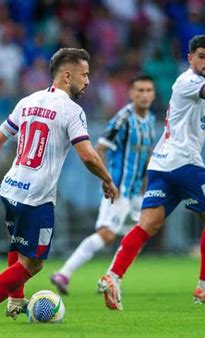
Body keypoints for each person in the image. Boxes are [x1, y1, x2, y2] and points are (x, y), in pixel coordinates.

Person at [98, 35, 205, 310]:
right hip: (185, 163)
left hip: (162, 164)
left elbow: (179, 122)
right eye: (201, 56)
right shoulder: (190, 81)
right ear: (190, 58)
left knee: (147, 224)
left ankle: (113, 276)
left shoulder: (190, 87)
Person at [0, 48, 118, 326]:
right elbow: (88, 155)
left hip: (10, 187)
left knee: (18, 245)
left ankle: (15, 299)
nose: (88, 81)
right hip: (36, 196)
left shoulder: (28, 101)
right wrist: (106, 179)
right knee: (33, 263)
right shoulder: (72, 110)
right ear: (67, 75)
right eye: (85, 75)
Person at [50, 75, 156, 295]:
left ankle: (111, 278)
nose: (144, 95)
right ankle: (64, 273)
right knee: (107, 235)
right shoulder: (123, 119)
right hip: (119, 189)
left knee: (141, 233)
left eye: (148, 90)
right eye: (140, 90)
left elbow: (145, 158)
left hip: (137, 192)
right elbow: (99, 148)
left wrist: (147, 184)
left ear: (153, 94)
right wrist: (106, 180)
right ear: (131, 93)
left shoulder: (151, 120)